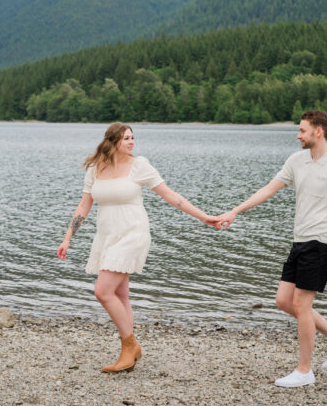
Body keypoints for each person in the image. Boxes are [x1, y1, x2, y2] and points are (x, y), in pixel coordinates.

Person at [57, 122, 219, 373]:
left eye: (133, 137)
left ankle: (129, 345)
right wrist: (68, 238)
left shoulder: (139, 165)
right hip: (107, 235)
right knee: (120, 296)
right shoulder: (95, 168)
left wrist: (204, 216)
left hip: (133, 233)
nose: (132, 142)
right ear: (112, 142)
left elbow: (171, 196)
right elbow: (84, 206)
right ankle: (128, 354)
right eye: (126, 139)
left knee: (102, 291)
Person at [213, 110, 327, 388]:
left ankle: (304, 371)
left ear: (319, 131)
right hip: (300, 241)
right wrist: (235, 211)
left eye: (302, 130)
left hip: (321, 243)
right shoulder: (297, 160)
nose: (298, 134)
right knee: (284, 301)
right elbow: (269, 188)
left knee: (302, 305)